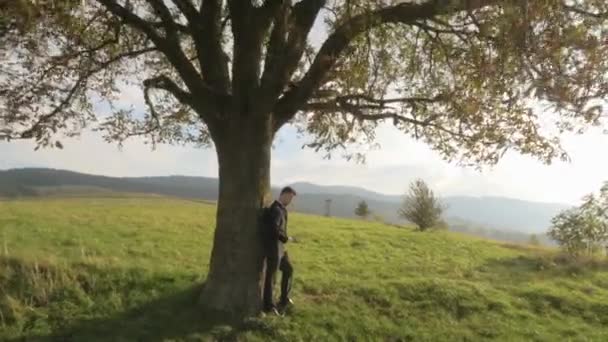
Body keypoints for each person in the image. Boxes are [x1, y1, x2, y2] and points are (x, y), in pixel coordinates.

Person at [262, 186, 296, 315]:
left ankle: (284, 299)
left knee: (288, 269)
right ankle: (268, 306)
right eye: (290, 197)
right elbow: (274, 229)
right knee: (271, 276)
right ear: (284, 195)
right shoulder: (276, 209)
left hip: (280, 248)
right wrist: (285, 238)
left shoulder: (282, 209)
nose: (290, 200)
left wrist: (285, 240)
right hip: (273, 247)